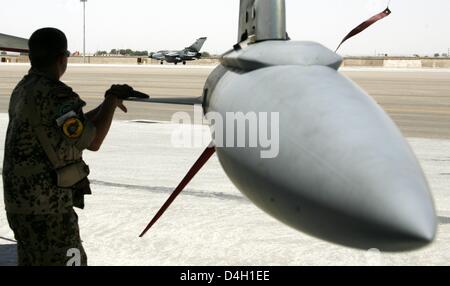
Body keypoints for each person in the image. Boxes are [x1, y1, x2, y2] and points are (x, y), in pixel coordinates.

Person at [2, 27, 133, 266]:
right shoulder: (57, 95)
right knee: (72, 261)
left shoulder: (24, 89)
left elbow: (74, 125)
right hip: (47, 209)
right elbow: (92, 141)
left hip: (19, 203)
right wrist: (113, 102)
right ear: (63, 58)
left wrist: (106, 102)